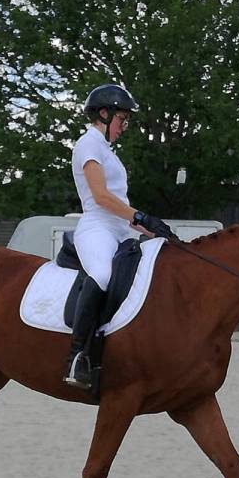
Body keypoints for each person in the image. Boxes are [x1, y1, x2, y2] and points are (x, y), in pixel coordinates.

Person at [63, 83, 176, 388]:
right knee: (100, 275)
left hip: (119, 229)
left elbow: (120, 205)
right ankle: (77, 357)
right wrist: (139, 216)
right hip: (96, 226)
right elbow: (101, 197)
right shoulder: (88, 144)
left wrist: (153, 227)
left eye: (126, 121)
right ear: (104, 113)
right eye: (122, 119)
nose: (124, 126)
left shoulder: (108, 152)